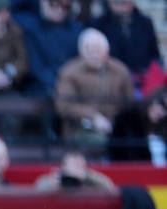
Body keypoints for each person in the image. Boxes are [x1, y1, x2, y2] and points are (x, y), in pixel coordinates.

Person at [54, 28, 134, 157]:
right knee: (99, 141)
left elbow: (130, 101)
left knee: (134, 138)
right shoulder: (69, 72)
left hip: (116, 125)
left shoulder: (120, 70)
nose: (98, 55)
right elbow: (64, 106)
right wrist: (94, 117)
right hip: (81, 128)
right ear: (82, 52)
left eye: (101, 51)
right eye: (92, 51)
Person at [91, 0, 162, 95]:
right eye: (116, 2)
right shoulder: (98, 24)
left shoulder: (145, 23)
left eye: (124, 2)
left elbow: (154, 55)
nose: (120, 3)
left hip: (142, 82)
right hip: (111, 83)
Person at [13, 0, 81, 97]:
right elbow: (36, 67)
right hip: (40, 89)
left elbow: (78, 61)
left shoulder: (76, 29)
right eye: (53, 4)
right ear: (43, 3)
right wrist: (59, 84)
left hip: (71, 87)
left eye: (65, 6)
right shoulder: (31, 29)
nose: (59, 10)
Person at [109, 86, 167, 166]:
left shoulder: (163, 131)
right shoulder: (128, 119)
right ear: (153, 99)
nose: (162, 112)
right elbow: (119, 155)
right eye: (161, 104)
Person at [33, 148, 117, 193]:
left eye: (79, 165)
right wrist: (56, 181)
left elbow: (110, 187)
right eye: (73, 164)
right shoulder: (56, 178)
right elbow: (38, 189)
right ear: (63, 166)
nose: (76, 168)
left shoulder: (90, 177)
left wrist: (87, 176)